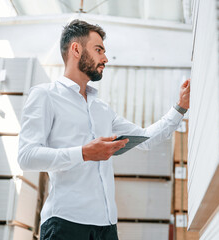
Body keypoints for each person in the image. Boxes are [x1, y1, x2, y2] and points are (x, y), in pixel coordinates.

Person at [18, 19, 190, 240]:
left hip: (106, 226)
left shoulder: (102, 109)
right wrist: (83, 153)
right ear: (76, 49)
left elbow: (144, 139)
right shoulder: (46, 96)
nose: (105, 58)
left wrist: (180, 109)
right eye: (98, 50)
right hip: (65, 224)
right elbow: (26, 156)